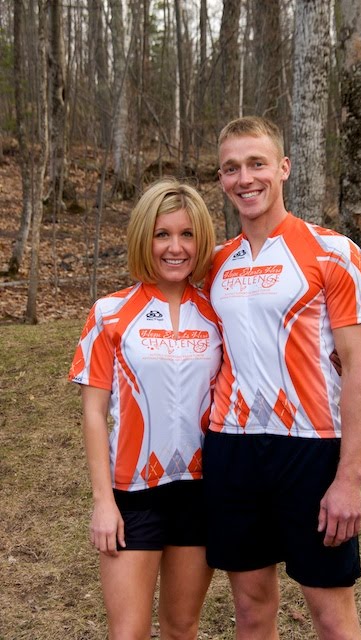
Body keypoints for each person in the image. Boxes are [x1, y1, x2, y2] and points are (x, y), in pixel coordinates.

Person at [202, 116, 361, 640]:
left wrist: (349, 478)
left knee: (332, 616)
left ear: (283, 167)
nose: (245, 178)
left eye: (256, 163)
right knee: (251, 611)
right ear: (221, 178)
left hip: (312, 450)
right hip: (232, 448)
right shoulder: (213, 265)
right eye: (231, 168)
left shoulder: (334, 252)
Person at [69, 178, 222, 640]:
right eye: (162, 234)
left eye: (187, 234)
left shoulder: (219, 313)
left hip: (200, 491)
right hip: (132, 494)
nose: (175, 247)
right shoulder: (109, 313)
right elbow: (93, 413)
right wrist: (103, 503)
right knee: (128, 632)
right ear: (144, 238)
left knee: (182, 627)